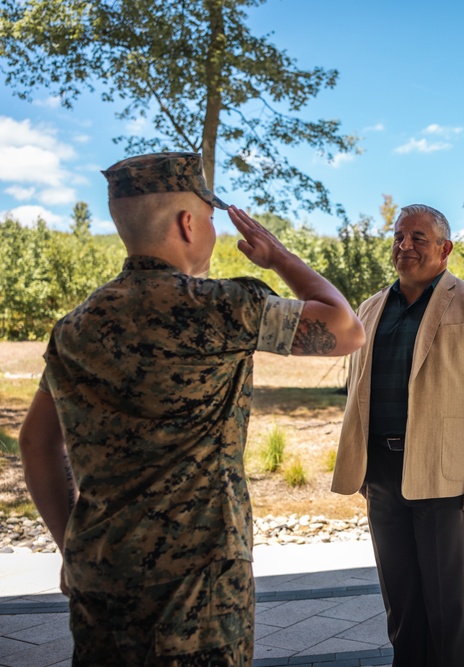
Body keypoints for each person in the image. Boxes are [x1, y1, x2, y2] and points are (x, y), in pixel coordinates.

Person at [17, 151, 365, 666]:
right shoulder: (222, 308)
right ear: (187, 224)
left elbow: (36, 442)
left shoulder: (75, 327)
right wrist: (281, 258)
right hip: (197, 592)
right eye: (209, 219)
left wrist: (70, 547)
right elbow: (346, 329)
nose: (212, 231)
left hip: (100, 575)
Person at [331, 204, 464, 667]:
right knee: (401, 602)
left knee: (447, 605)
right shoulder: (371, 308)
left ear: (444, 249)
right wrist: (357, 463)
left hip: (446, 476)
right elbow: (358, 390)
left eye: (418, 237)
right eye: (399, 236)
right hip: (381, 473)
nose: (405, 245)